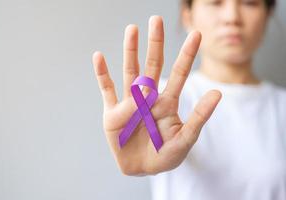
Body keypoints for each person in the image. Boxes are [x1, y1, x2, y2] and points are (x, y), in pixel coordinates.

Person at [92, 0, 286, 199]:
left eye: (250, 3)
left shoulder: (281, 108)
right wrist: (138, 164)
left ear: (268, 14)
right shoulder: (157, 103)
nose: (232, 18)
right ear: (188, 16)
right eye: (215, 2)